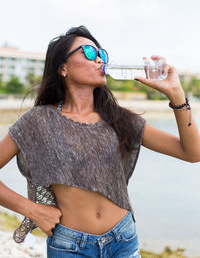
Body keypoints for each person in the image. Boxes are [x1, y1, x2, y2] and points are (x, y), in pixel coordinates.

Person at [0, 25, 200, 258]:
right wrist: (32, 209)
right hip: (69, 246)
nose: (100, 60)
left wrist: (176, 95)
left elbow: (192, 153)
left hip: (123, 240)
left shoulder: (121, 119)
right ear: (62, 67)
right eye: (90, 52)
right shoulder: (37, 121)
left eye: (102, 54)